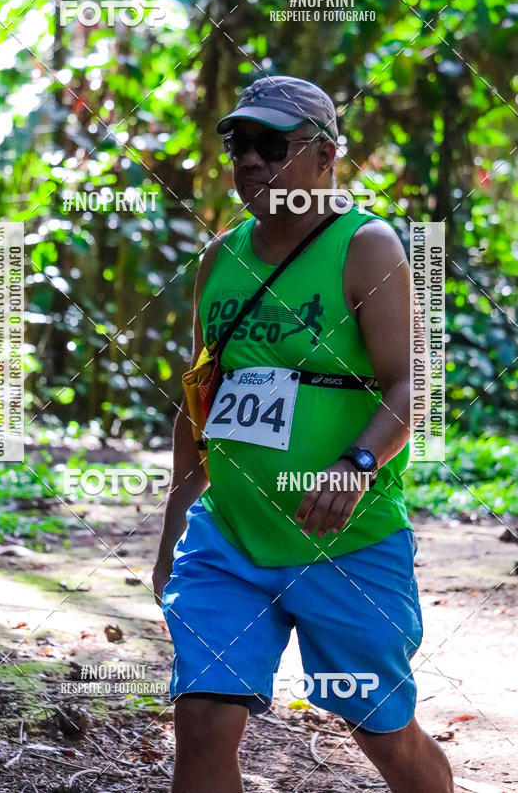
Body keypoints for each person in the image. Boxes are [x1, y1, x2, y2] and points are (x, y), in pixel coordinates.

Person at [153, 76, 453, 793]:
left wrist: (356, 464)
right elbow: (202, 394)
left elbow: (415, 381)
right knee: (201, 723)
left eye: (270, 144)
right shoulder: (220, 260)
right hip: (228, 539)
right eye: (238, 144)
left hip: (345, 545)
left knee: (382, 730)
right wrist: (173, 523)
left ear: (324, 156)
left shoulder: (367, 247)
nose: (249, 160)